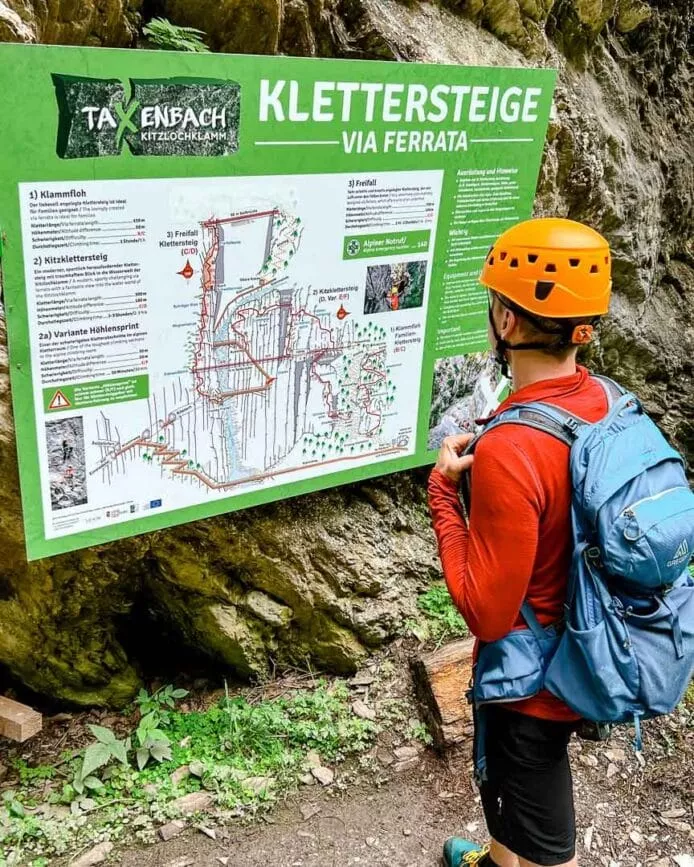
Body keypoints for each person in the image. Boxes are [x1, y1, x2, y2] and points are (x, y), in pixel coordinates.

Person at [428, 217, 612, 867]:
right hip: (586, 646)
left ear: (506, 320)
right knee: (518, 812)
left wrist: (444, 497)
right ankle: (499, 856)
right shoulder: (598, 401)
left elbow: (486, 610)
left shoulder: (511, 445)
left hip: (528, 686)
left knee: (544, 839)